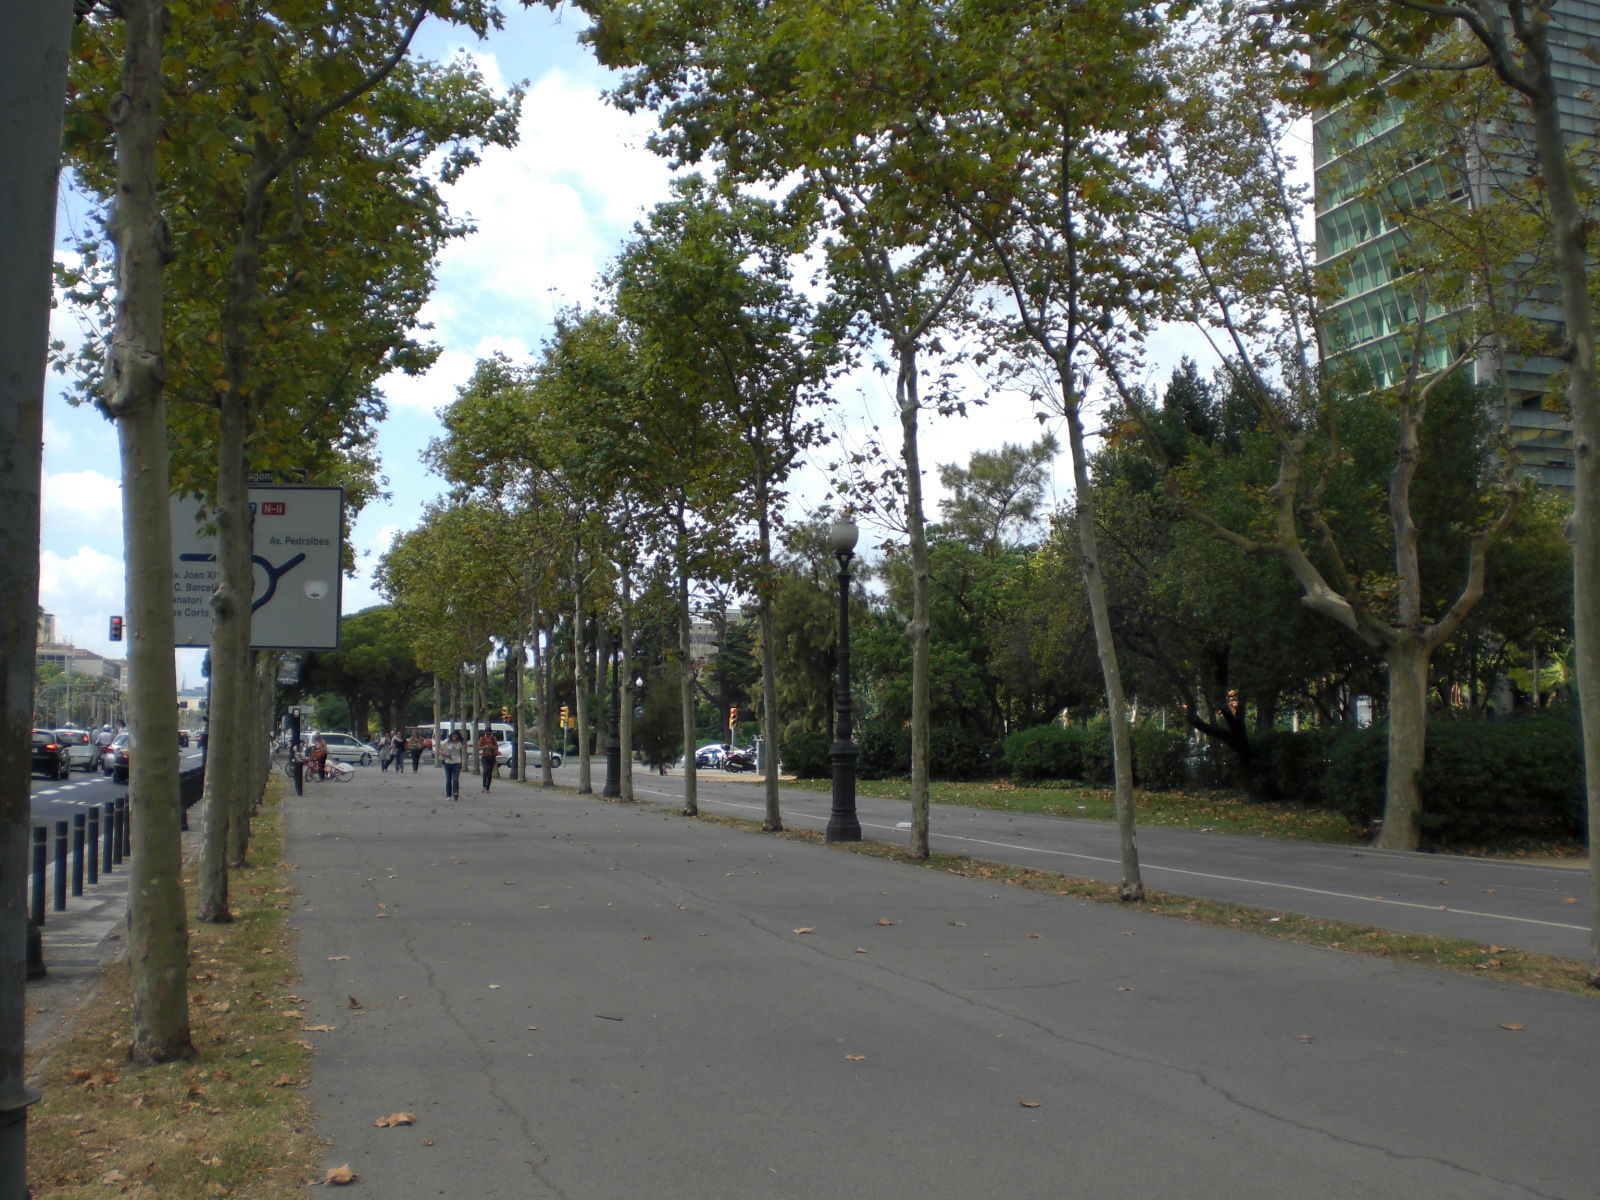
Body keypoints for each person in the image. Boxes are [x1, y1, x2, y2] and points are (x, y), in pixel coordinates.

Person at [439, 729, 465, 801]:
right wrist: (446, 754)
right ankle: (448, 795)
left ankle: (456, 793)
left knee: (456, 779)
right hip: (448, 762)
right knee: (448, 779)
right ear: (451, 736)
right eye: (453, 736)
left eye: (456, 736)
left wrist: (461, 763)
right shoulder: (446, 742)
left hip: (457, 762)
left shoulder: (459, 744)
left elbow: (460, 753)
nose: (454, 738)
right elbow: (440, 751)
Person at [477, 727, 499, 792]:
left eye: (489, 734)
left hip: (492, 757)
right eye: (487, 734)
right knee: (485, 770)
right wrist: (484, 746)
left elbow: (497, 747)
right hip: (484, 756)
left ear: (491, 733)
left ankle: (487, 787)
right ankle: (483, 786)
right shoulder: (482, 738)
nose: (488, 735)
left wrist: (492, 746)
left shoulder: (493, 738)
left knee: (489, 772)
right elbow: (478, 748)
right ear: (485, 733)